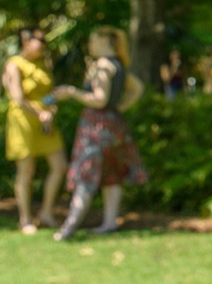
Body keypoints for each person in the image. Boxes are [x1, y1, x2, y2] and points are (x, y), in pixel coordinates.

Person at [52, 27, 147, 239]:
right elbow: (137, 88)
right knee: (111, 175)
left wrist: (71, 92)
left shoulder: (103, 65)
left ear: (104, 40)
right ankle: (109, 223)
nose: (90, 45)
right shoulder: (119, 64)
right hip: (115, 124)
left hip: (96, 126)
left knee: (86, 173)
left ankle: (68, 228)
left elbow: (100, 99)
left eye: (93, 40)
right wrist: (121, 107)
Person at [4, 27, 68, 233]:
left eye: (44, 41)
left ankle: (47, 213)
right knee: (26, 171)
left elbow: (49, 94)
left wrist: (51, 107)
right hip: (23, 120)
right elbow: (18, 97)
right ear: (25, 41)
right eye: (38, 40)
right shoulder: (14, 64)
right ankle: (25, 219)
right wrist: (39, 113)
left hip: (45, 121)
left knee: (59, 166)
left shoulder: (43, 63)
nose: (42, 44)